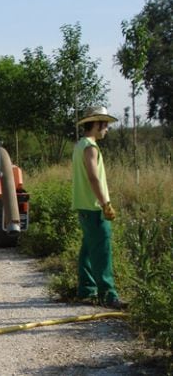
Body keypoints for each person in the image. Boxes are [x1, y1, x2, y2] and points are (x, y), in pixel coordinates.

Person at [71, 106, 125, 310]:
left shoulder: (79, 145)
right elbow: (93, 177)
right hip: (94, 207)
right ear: (96, 124)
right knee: (102, 251)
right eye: (105, 125)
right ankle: (109, 295)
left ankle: (86, 289)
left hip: (83, 206)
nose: (107, 130)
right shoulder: (90, 147)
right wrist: (105, 204)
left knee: (88, 249)